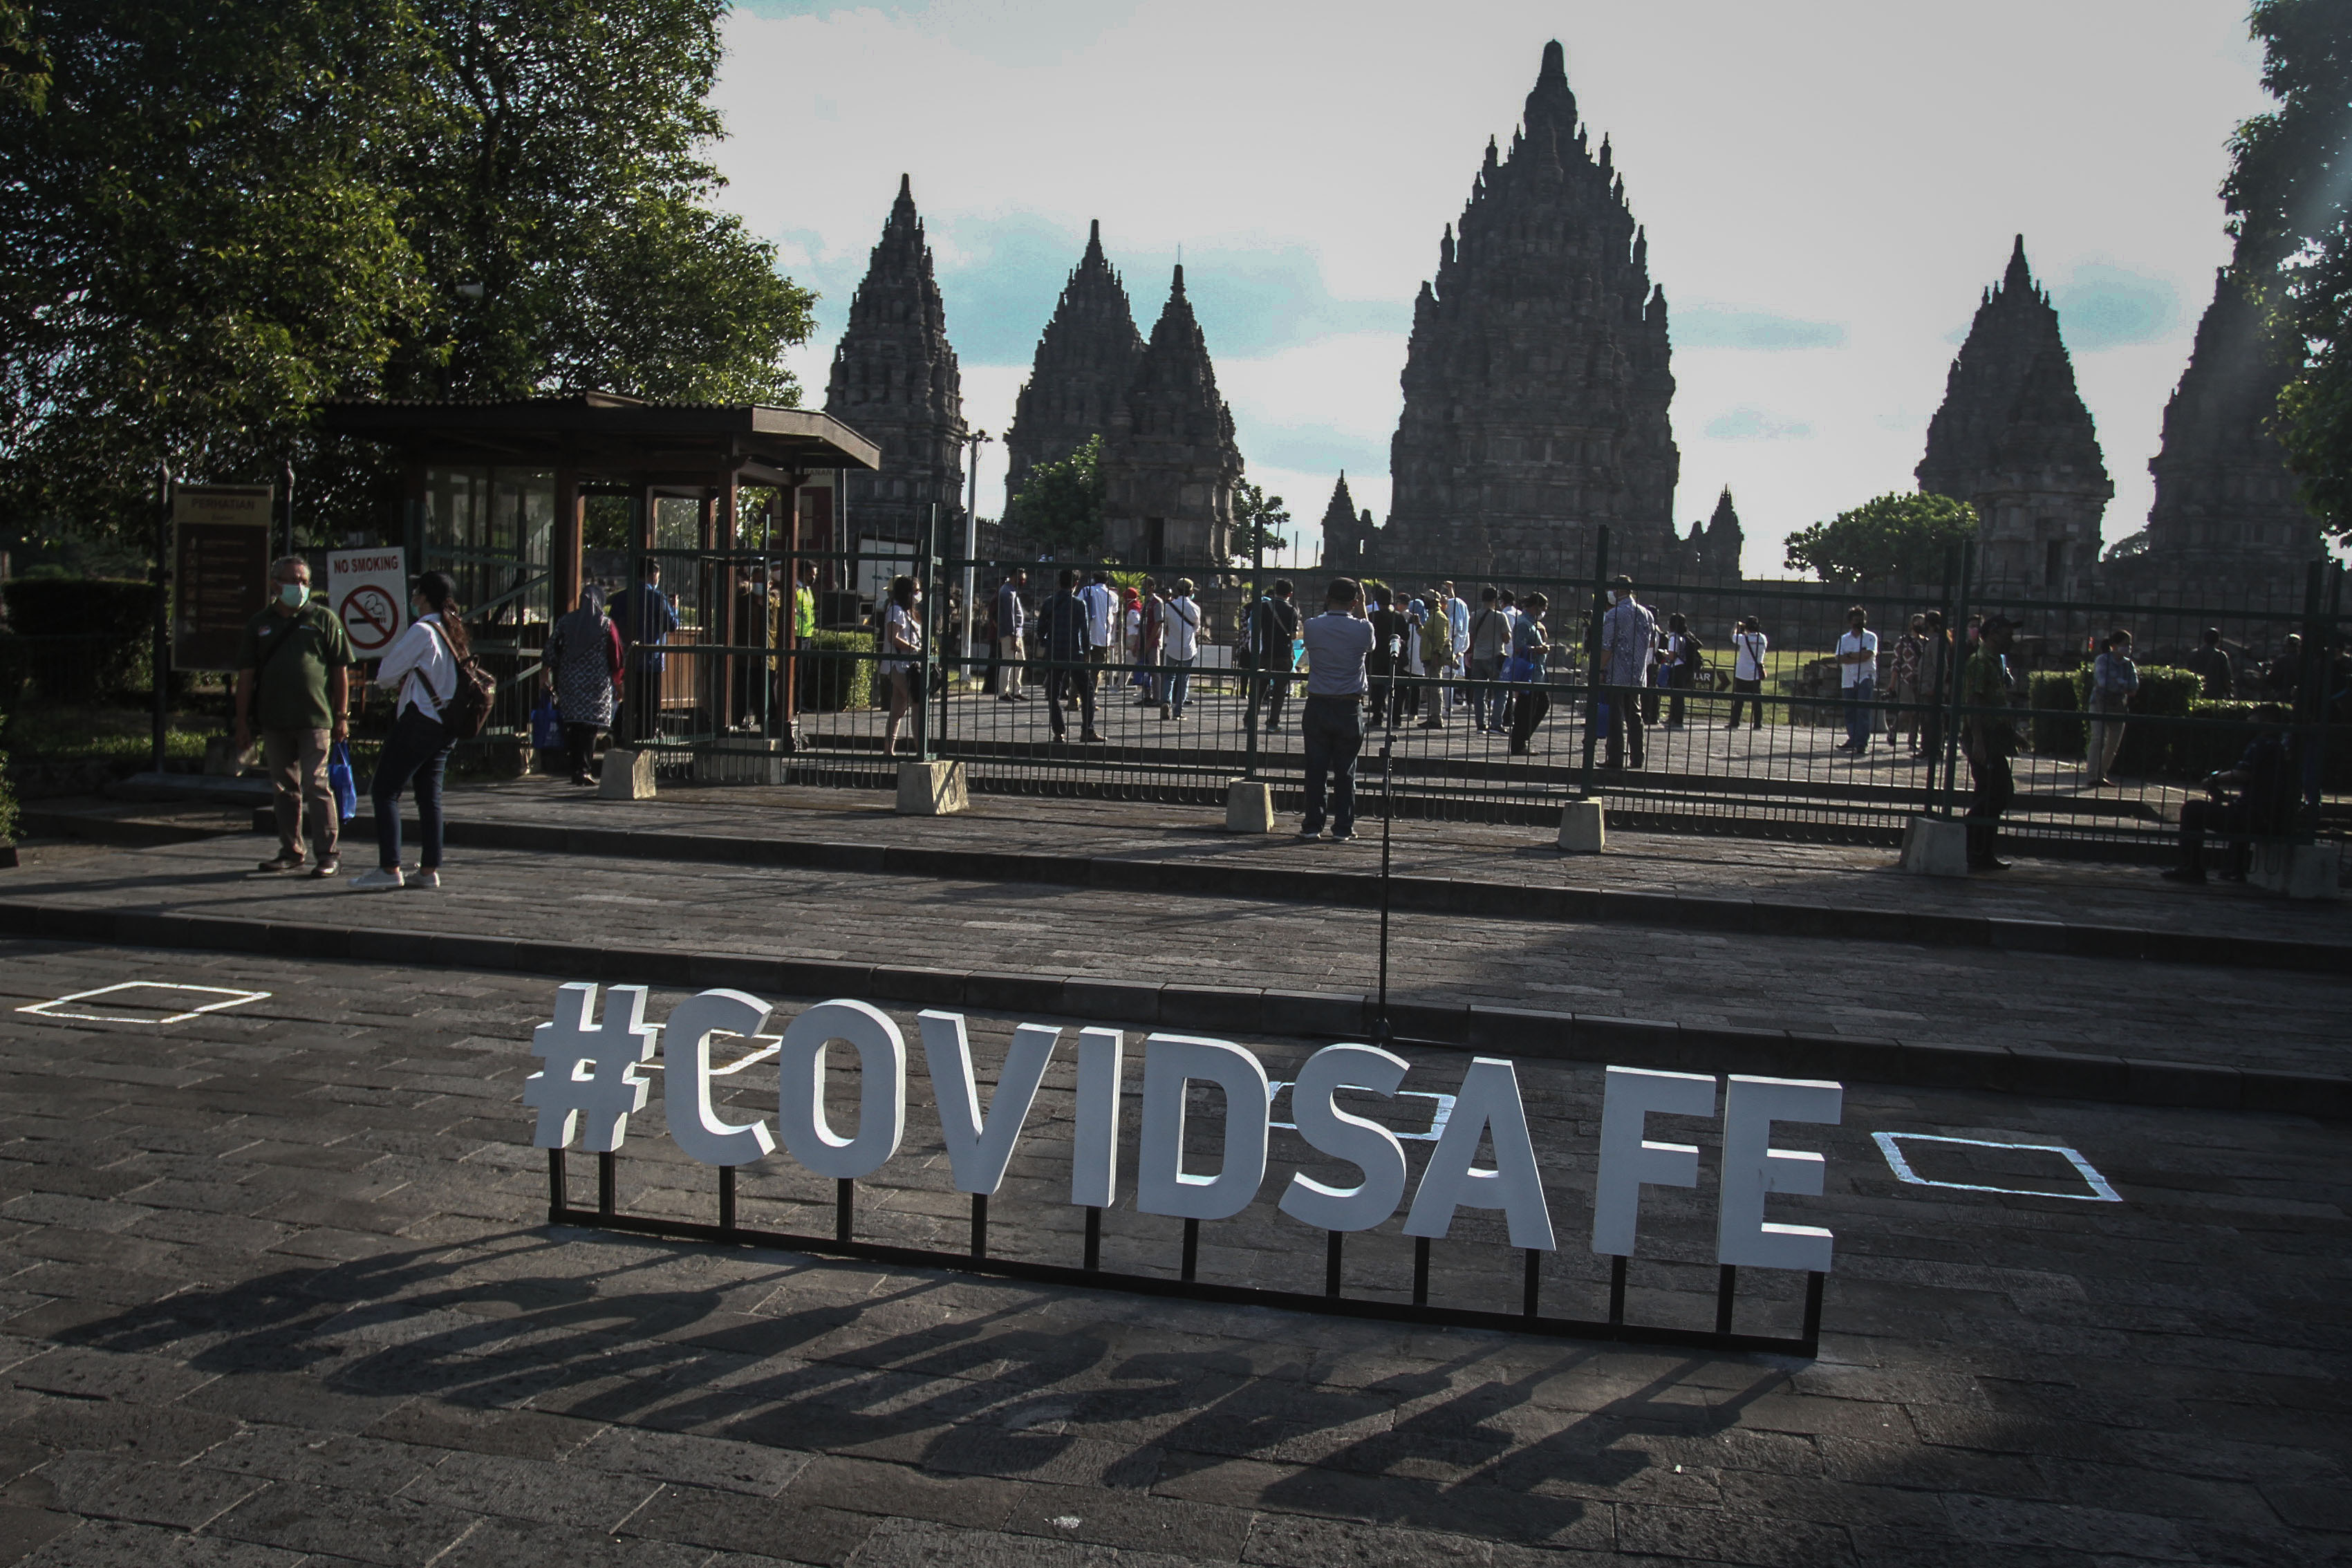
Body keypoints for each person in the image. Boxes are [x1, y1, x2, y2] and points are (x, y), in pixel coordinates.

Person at [236, 554, 353, 878]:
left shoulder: (323, 619)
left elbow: (340, 670)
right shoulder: (260, 623)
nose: (299, 587)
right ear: (275, 584)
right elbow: (245, 675)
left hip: (315, 717)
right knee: (284, 787)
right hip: (274, 719)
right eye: (292, 580)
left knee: (316, 783)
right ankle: (290, 850)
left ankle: (328, 854)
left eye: (304, 581)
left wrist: (342, 715)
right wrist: (242, 721)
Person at [355, 570, 465, 891]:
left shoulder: (423, 630)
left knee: (385, 790)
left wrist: (400, 680)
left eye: (416, 593)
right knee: (430, 797)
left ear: (424, 597)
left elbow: (387, 675)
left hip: (419, 721)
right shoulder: (452, 631)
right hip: (446, 725)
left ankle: (389, 867)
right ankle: (429, 869)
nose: (413, 598)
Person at [2165, 705, 2295, 884]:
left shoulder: (2262, 744)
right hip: (2270, 817)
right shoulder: (2280, 746)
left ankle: (2191, 867)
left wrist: (2215, 778)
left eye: (2253, 719)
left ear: (2266, 722)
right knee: (2238, 809)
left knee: (2193, 810)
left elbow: (2244, 774)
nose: (2249, 724)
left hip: (2255, 817)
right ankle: (2235, 869)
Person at [1298, 577, 1376, 841]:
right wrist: (1363, 606)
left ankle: (1312, 825)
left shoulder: (1312, 626)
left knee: (1315, 770)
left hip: (1318, 703)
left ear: (1327, 598)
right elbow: (1371, 642)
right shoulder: (1363, 629)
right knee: (1346, 772)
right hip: (1349, 706)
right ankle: (1343, 827)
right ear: (1355, 602)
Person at [540, 585, 623, 786]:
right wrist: (619, 683)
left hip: (570, 683)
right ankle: (583, 769)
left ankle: (577, 767)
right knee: (589, 728)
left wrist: (546, 672)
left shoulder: (566, 622)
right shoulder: (606, 625)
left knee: (575, 726)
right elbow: (616, 657)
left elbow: (552, 648)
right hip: (597, 686)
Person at [1961, 614, 2019, 872]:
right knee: (1994, 792)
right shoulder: (1981, 661)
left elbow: (1994, 703)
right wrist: (1978, 741)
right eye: (2008, 634)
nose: (2012, 639)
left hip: (1992, 736)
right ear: (1993, 634)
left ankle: (1981, 850)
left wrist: (2011, 733)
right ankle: (1974, 847)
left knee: (1995, 793)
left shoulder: (1994, 662)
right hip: (1982, 736)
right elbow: (1975, 702)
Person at [610, 558, 678, 742]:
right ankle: (645, 740)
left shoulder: (621, 598)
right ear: (652, 574)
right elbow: (672, 625)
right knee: (649, 706)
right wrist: (675, 608)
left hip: (626, 660)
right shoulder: (657, 598)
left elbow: (612, 626)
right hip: (651, 661)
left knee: (628, 702)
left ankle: (619, 734)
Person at [1596, 575, 1655, 769]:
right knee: (1634, 716)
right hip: (1638, 672)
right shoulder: (1646, 614)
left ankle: (1615, 758)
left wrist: (1599, 669)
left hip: (1617, 672)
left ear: (1619, 591)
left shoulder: (1615, 614)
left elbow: (1607, 646)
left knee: (1616, 717)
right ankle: (1637, 757)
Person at [1038, 568, 1102, 743]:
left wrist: (1047, 643)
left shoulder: (1049, 602)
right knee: (1087, 691)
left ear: (1059, 582)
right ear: (1075, 584)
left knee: (1053, 694)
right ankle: (1087, 730)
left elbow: (1041, 629)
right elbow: (1084, 630)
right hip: (1074, 652)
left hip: (1055, 652)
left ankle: (1058, 732)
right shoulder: (1079, 604)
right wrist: (1086, 652)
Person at [2084, 628, 2139, 787]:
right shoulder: (2103, 660)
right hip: (2099, 704)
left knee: (2113, 744)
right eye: (2124, 644)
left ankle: (2101, 774)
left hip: (2118, 707)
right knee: (2098, 739)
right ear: (2114, 645)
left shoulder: (2129, 665)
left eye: (2129, 645)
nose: (2127, 648)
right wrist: (2123, 685)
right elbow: (2103, 682)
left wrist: (2117, 683)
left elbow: (2134, 687)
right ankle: (2092, 775)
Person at [1245, 579, 1301, 733]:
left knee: (1258, 688)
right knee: (1280, 690)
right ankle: (1273, 722)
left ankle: (1250, 720)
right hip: (1283, 653)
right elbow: (1294, 635)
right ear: (1290, 594)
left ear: (1275, 590)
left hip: (1266, 652)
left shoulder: (1263, 607)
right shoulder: (1292, 611)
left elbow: (1255, 627)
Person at [877, 575, 924, 756]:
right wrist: (914, 648)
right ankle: (920, 748)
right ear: (908, 592)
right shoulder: (895, 610)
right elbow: (893, 637)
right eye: (916, 591)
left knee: (897, 710)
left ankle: (889, 750)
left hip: (906, 664)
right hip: (898, 665)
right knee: (917, 704)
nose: (919, 594)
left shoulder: (907, 611)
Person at [1506, 592, 1554, 755]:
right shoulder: (1523, 623)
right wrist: (1539, 649)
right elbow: (1519, 647)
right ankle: (1519, 742)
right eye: (1543, 608)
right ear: (1536, 607)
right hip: (1528, 673)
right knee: (1525, 709)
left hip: (1536, 673)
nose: (1544, 612)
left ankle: (1522, 738)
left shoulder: (1531, 623)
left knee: (1541, 704)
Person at [1465, 586, 1511, 734]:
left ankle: (1480, 724)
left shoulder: (1474, 615)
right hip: (1495, 656)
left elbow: (1471, 637)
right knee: (1501, 691)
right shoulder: (1500, 617)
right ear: (1495, 600)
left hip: (1478, 657)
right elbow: (1507, 638)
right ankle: (1496, 723)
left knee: (1479, 693)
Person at [1835, 606, 1880, 754]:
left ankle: (1861, 742)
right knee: (1850, 711)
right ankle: (1853, 738)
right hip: (1849, 675)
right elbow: (1839, 658)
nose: (1860, 623)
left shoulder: (1870, 637)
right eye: (1856, 620)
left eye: (1862, 620)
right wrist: (1857, 655)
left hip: (1865, 675)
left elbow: (1868, 655)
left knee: (1862, 710)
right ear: (1850, 622)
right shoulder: (1844, 639)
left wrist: (1850, 656)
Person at [1367, 583, 1412, 729]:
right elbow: (1406, 635)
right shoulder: (1398, 618)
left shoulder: (1372, 617)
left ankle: (1377, 716)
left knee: (1377, 689)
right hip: (1394, 656)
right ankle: (1396, 719)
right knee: (1397, 689)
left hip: (1377, 656)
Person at [1160, 578, 1202, 721]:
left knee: (1169, 677)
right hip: (1188, 648)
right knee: (1184, 680)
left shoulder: (1169, 607)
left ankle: (1166, 701)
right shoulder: (1195, 608)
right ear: (1191, 591)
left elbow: (1164, 626)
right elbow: (1196, 629)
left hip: (1172, 646)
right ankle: (1178, 711)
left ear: (1177, 590)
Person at [1887, 614, 1927, 754]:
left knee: (1917, 713)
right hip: (1905, 679)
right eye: (1917, 622)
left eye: (1922, 623)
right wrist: (1892, 684)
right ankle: (1894, 728)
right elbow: (1896, 664)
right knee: (1908, 709)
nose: (1920, 625)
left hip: (1920, 680)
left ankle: (1912, 741)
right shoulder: (1902, 641)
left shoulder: (1926, 642)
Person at [1917, 610, 1952, 765]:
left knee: (1933, 720)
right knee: (1926, 720)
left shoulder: (1936, 642)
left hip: (1931, 687)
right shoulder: (1933, 641)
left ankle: (1933, 750)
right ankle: (1927, 749)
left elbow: (1941, 666)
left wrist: (1935, 686)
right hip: (1927, 686)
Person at [1417, 591, 1456, 729]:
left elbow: (1440, 638)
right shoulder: (1433, 616)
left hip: (1433, 656)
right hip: (1429, 655)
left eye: (1427, 599)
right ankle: (1433, 716)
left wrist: (1436, 654)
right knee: (1432, 688)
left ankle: (1436, 718)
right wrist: (1418, 626)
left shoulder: (1438, 617)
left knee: (1435, 689)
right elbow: (1427, 636)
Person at [1724, 617, 1767, 730]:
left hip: (1742, 673)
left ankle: (1735, 722)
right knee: (1757, 702)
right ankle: (1758, 724)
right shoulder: (1763, 638)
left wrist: (1737, 627)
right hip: (1756, 674)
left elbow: (1733, 637)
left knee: (1738, 701)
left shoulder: (1744, 639)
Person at [1660, 612, 1700, 728]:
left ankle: (1676, 719)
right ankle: (1675, 717)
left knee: (1676, 695)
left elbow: (1672, 656)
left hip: (1677, 667)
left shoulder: (1674, 638)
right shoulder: (1684, 637)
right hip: (1684, 667)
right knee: (1678, 694)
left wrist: (1664, 654)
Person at [993, 570, 1029, 701]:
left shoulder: (1012, 591)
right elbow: (1009, 617)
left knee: (1019, 661)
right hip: (1011, 633)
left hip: (1016, 633)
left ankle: (1015, 690)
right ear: (1014, 576)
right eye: (1021, 578)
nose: (1023, 581)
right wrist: (1013, 636)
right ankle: (1003, 692)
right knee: (1008, 662)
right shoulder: (1007, 592)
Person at [1441, 580, 1470, 719]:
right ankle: (1448, 706)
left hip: (1448, 652)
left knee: (1446, 681)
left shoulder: (1451, 622)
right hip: (1458, 653)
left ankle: (1447, 707)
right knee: (1450, 681)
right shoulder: (1464, 623)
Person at [1134, 577, 1165, 707]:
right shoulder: (1146, 603)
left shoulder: (1157, 603)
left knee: (1153, 669)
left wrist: (1149, 643)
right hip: (1143, 640)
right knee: (1143, 668)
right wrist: (1138, 642)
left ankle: (1157, 697)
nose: (1142, 588)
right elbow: (1142, 625)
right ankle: (1147, 695)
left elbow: (1158, 624)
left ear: (1151, 587)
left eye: (1144, 586)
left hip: (1153, 642)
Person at [1080, 572, 1117, 671]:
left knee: (1081, 668)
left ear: (1094, 580)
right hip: (1103, 637)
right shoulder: (1113, 596)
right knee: (1096, 670)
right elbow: (1113, 614)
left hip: (1087, 635)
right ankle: (1093, 686)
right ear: (1107, 581)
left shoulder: (1086, 591)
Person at [2184, 626, 2233, 699]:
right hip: (2216, 693)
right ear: (2217, 640)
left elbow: (2187, 672)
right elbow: (2226, 676)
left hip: (2197, 691)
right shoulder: (2221, 656)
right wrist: (2229, 692)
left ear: (2204, 639)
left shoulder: (2193, 654)